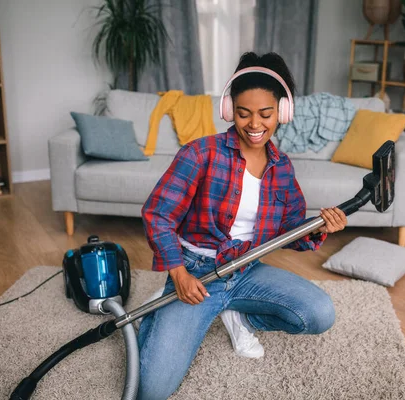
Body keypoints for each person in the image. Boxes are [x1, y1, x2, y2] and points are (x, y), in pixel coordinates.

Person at [138, 52, 347, 400]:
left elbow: (293, 227)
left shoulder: (282, 168)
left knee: (319, 313)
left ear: (281, 113)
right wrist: (178, 274)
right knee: (152, 390)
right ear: (228, 110)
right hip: (197, 274)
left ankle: (240, 316)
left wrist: (320, 226)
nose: (254, 124)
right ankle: (167, 310)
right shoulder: (200, 153)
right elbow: (158, 214)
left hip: (244, 270)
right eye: (243, 113)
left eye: (265, 114)